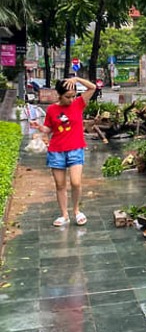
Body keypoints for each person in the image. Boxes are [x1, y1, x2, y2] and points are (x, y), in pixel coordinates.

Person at [30, 77, 97, 227]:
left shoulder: (79, 103)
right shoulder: (52, 109)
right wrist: (39, 127)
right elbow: (48, 129)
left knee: (76, 182)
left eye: (73, 95)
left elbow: (92, 87)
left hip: (75, 148)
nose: (72, 99)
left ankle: (77, 211)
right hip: (56, 151)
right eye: (68, 96)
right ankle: (64, 214)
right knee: (60, 185)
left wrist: (77, 78)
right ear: (59, 95)